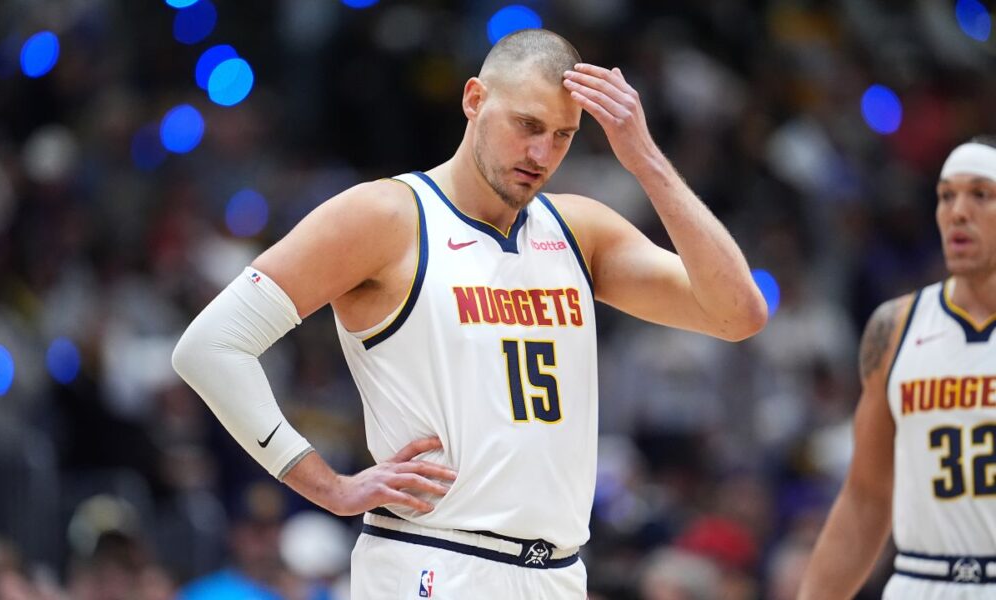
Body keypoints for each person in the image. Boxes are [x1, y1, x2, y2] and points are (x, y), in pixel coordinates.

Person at [172, 29, 766, 599]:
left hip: (558, 572)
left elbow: (739, 313)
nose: (541, 153)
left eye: (562, 135)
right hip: (435, 560)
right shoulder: (387, 216)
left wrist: (647, 162)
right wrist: (324, 485)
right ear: (475, 100)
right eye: (528, 125)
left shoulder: (580, 230)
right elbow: (211, 347)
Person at [798, 136, 996, 599]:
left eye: (980, 194)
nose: (957, 212)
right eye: (947, 195)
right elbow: (866, 498)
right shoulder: (895, 328)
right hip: (921, 581)